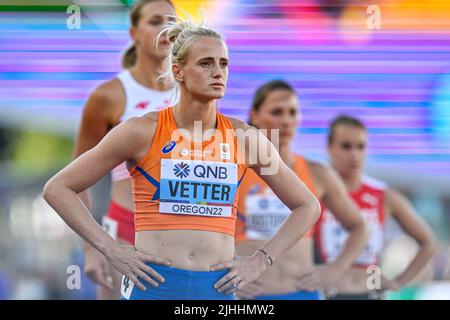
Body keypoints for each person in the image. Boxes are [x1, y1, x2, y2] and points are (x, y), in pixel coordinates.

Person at [43, 17, 321, 300]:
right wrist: (110, 248)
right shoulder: (142, 131)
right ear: (178, 71)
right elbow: (58, 188)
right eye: (206, 63)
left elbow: (307, 205)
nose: (218, 72)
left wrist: (260, 260)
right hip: (154, 287)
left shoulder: (244, 138)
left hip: (217, 290)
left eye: (223, 63)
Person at [73, 0, 176, 299]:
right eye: (156, 21)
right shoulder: (109, 96)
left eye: (172, 22)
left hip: (185, 233)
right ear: (134, 33)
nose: (166, 29)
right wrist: (92, 249)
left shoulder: (194, 94)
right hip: (127, 231)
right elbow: (77, 179)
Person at [234, 80, 368, 300]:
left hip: (302, 293)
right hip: (248, 296)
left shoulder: (317, 173)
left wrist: (336, 268)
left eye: (292, 112)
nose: (286, 121)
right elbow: (202, 230)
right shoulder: (234, 167)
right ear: (254, 115)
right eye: (277, 112)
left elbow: (360, 226)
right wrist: (223, 273)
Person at [314, 115, 438, 300]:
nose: (354, 154)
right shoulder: (314, 193)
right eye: (346, 146)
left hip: (369, 292)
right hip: (325, 292)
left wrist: (398, 282)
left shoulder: (383, 196)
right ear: (329, 148)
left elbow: (428, 243)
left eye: (360, 146)